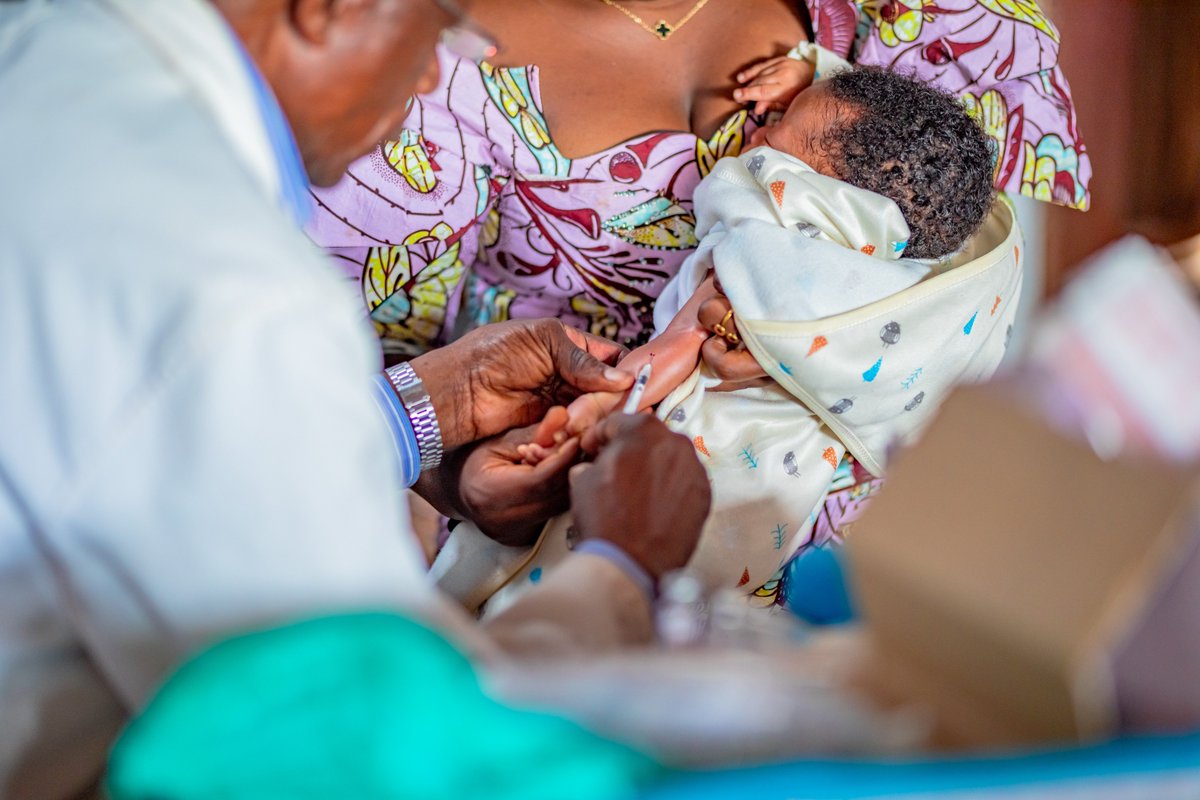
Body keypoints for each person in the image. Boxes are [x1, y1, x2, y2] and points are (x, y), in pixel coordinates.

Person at [0, 1, 711, 797]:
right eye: (440, 29)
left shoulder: (43, 50)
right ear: (327, 10)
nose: (438, 71)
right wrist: (622, 564)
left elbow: (112, 446)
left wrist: (415, 413)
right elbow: (386, 750)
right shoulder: (240, 299)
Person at [430, 64, 1024, 613]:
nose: (757, 129)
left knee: (558, 578)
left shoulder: (768, 248)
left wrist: (598, 404)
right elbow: (882, 134)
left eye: (777, 124)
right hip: (779, 501)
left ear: (816, 188)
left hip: (695, 453)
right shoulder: (918, 279)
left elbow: (671, 354)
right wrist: (814, 72)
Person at [306, 0, 1087, 359]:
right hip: (570, 476)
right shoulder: (425, 54)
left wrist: (815, 339)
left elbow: (959, 247)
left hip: (836, 472)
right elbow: (359, 364)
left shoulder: (897, 13)